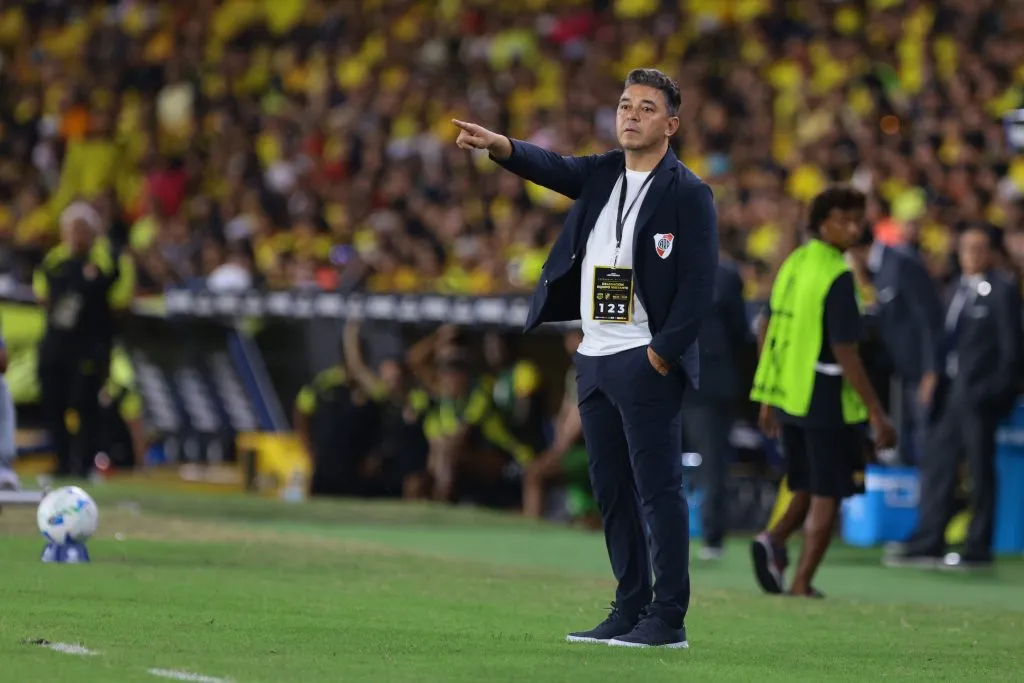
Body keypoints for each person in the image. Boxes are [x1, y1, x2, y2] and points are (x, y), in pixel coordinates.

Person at [454, 67, 717, 649]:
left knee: (659, 490)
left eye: (647, 108)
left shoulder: (689, 192)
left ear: (671, 124)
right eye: (626, 104)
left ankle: (668, 618)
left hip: (644, 358)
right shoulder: (602, 173)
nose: (631, 115)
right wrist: (501, 146)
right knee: (612, 492)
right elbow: (554, 168)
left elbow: (700, 285)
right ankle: (629, 607)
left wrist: (662, 354)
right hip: (595, 354)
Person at [749, 186, 897, 598]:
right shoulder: (837, 274)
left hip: (791, 397)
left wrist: (768, 394)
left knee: (809, 483)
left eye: (857, 219)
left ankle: (772, 541)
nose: (853, 227)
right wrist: (877, 412)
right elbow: (846, 352)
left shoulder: (794, 263)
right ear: (820, 223)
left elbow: (767, 328)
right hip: (827, 397)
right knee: (829, 491)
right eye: (843, 219)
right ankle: (801, 584)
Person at [885, 225, 1023, 570]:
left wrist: (993, 392)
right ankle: (928, 539)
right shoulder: (953, 289)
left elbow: (1012, 350)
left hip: (978, 395)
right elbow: (942, 340)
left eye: (978, 248)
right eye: (965, 248)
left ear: (991, 253)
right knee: (937, 464)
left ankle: (978, 545)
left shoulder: (1001, 291)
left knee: (979, 469)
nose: (971, 256)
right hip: (949, 393)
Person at [33, 201, 134, 477]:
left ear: (93, 231)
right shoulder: (54, 259)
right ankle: (62, 462)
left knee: (86, 404)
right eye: (71, 229)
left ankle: (85, 464)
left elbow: (120, 301)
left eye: (82, 229)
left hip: (91, 345)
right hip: (56, 344)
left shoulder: (110, 258)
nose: (76, 235)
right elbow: (42, 296)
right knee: (53, 404)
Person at [848, 231, 944, 465]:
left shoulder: (901, 263)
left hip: (919, 374)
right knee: (906, 443)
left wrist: (931, 372)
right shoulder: (877, 271)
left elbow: (929, 318)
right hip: (900, 373)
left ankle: (933, 499)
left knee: (926, 442)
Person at [681, 254, 752, 560]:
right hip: (692, 379)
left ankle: (711, 536)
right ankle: (709, 537)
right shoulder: (725, 274)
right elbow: (740, 333)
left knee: (708, 463)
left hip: (695, 381)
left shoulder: (722, 275)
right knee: (709, 463)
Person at [522, 330, 598, 528]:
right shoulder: (573, 371)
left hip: (588, 449)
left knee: (535, 474)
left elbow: (579, 419)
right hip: (572, 449)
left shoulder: (591, 369)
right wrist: (559, 441)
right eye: (569, 337)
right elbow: (564, 413)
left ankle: (532, 531)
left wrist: (559, 449)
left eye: (576, 336)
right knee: (586, 517)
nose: (571, 342)